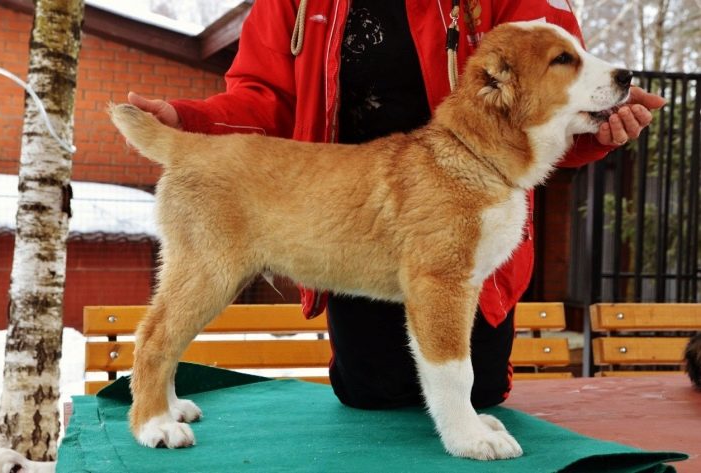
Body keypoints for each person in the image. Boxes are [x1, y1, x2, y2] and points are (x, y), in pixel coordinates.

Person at [127, 0, 665, 410]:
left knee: (473, 399)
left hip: (469, 198)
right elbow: (264, 96)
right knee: (373, 399)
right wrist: (189, 123)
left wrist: (599, 126)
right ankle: (151, 399)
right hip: (343, 217)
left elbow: (549, 93)